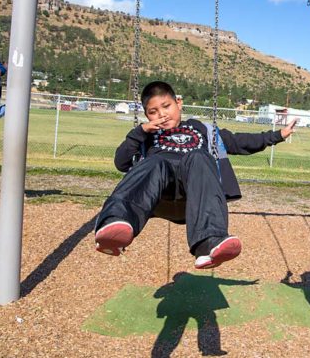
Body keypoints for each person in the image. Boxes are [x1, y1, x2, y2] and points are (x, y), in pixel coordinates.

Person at [94, 80, 297, 269]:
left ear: (179, 103)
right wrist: (140, 132)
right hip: (159, 196)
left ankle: (210, 243)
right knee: (156, 161)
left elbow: (240, 141)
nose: (162, 115)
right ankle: (116, 223)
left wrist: (278, 135)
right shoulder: (146, 135)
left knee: (199, 156)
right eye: (153, 112)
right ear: (147, 116)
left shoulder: (203, 130)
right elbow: (121, 162)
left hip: (192, 197)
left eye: (166, 106)